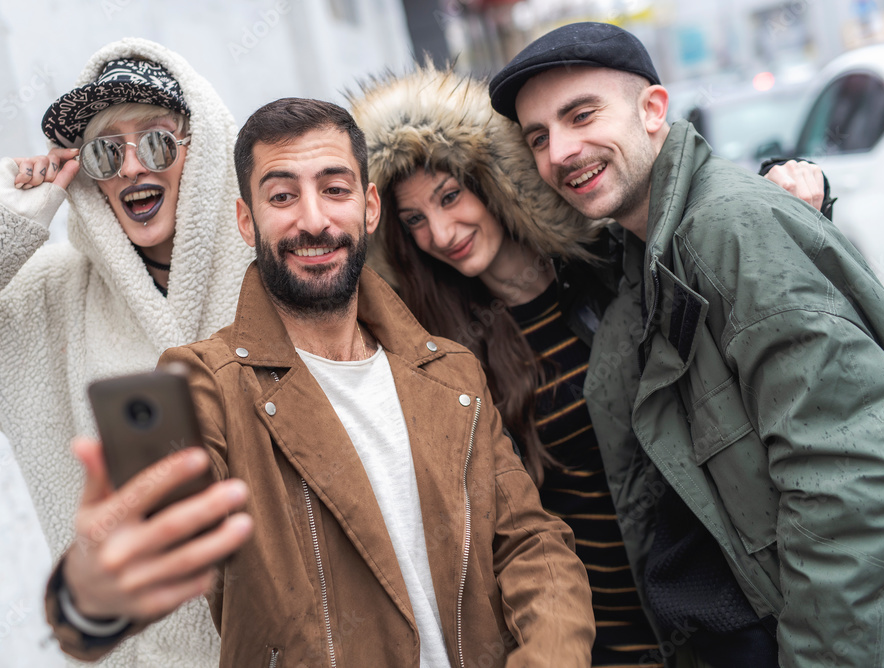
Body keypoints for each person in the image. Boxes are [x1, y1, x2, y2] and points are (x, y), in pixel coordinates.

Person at [43, 97, 598, 667]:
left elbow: (531, 543)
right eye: (282, 196)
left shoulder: (451, 371)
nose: (313, 220)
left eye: (335, 189)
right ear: (246, 220)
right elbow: (148, 539)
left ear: (370, 208)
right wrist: (91, 593)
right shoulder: (202, 383)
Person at [350, 64, 833, 668]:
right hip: (582, 636)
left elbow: (742, 327)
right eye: (415, 219)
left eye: (451, 197)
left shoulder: (615, 276)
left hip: (708, 615)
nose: (442, 232)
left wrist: (795, 196)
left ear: (498, 185)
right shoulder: (439, 349)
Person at [488, 21, 884, 667]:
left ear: (653, 110)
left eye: (581, 114)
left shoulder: (725, 232)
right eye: (540, 137)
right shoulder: (641, 259)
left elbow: (846, 481)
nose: (560, 151)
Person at [0, 38, 252, 667]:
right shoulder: (44, 304)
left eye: (158, 141)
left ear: (206, 147)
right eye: (105, 152)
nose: (133, 168)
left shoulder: (278, 269)